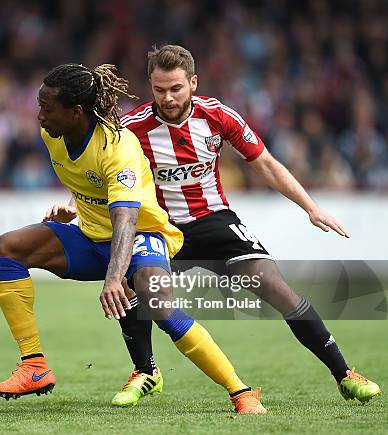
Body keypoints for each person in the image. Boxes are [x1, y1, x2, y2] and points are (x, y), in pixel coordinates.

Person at [0, 62, 266, 414]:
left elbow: (125, 219)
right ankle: (34, 366)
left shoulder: (118, 147)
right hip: (91, 236)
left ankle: (241, 392)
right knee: (5, 249)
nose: (39, 114)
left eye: (46, 107)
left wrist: (115, 278)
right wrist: (72, 209)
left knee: (158, 304)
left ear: (75, 112)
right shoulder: (53, 134)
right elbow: (90, 186)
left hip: (141, 235)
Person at [112, 44, 379, 405]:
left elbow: (265, 163)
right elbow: (106, 175)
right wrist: (71, 208)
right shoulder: (131, 128)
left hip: (215, 220)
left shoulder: (219, 116)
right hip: (160, 228)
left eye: (176, 88)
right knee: (131, 286)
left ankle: (344, 373)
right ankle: (146, 372)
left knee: (276, 288)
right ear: (150, 86)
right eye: (159, 90)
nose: (168, 98)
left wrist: (310, 208)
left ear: (193, 82)